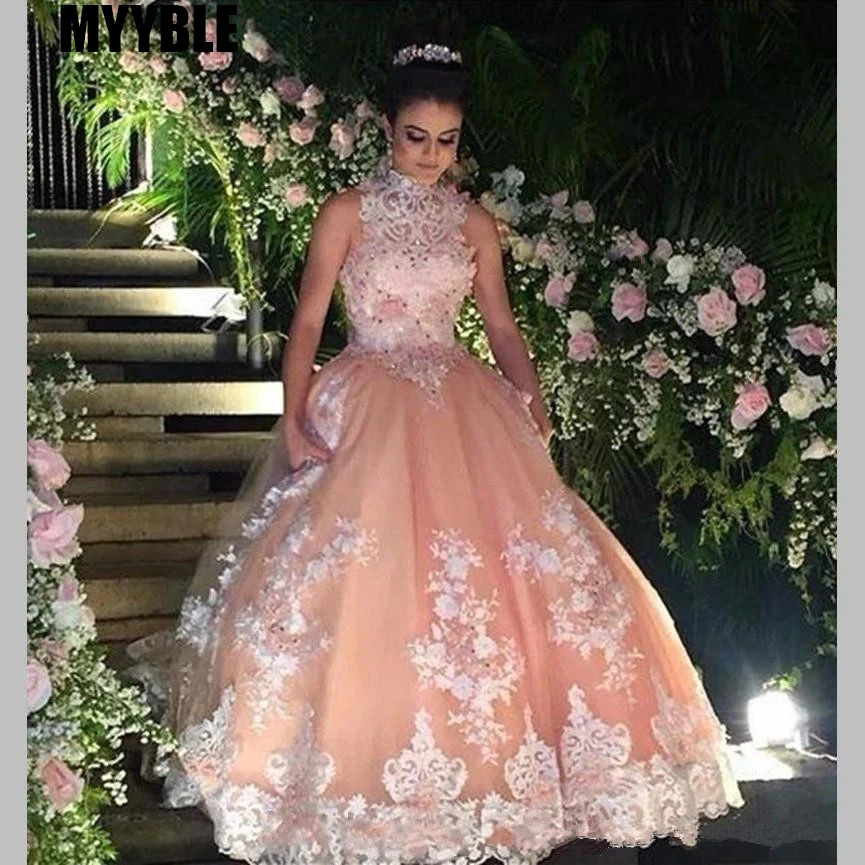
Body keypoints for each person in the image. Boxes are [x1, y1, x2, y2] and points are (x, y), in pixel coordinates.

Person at [132, 38, 744, 865]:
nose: (430, 153)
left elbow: (499, 324)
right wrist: (293, 413)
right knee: (353, 568)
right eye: (416, 136)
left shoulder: (472, 222)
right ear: (387, 128)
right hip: (367, 395)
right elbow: (306, 320)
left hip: (462, 399)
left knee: (514, 574)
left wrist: (529, 396)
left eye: (446, 139)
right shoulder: (346, 212)